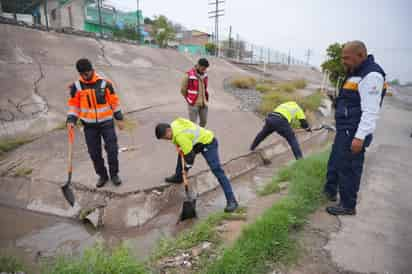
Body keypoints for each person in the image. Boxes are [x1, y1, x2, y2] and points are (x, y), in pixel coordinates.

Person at [324, 41, 387, 216]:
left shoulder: (372, 76)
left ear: (360, 55)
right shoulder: (355, 72)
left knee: (349, 168)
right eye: (342, 57)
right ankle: (330, 191)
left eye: (347, 58)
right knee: (337, 161)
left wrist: (359, 137)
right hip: (345, 129)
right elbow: (350, 100)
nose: (343, 61)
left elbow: (370, 111)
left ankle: (347, 205)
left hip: (354, 131)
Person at [155, 118, 238, 213]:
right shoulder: (174, 123)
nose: (166, 140)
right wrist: (179, 146)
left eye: (166, 137)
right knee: (182, 153)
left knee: (216, 170)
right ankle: (179, 177)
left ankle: (232, 201)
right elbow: (186, 130)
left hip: (208, 143)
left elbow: (190, 157)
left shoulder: (180, 137)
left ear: (168, 130)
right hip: (197, 143)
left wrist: (186, 170)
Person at [66, 58, 125, 188]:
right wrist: (71, 120)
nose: (85, 76)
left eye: (86, 73)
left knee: (112, 150)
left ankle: (114, 174)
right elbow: (74, 107)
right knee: (94, 153)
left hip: (107, 124)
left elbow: (114, 103)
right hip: (89, 126)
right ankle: (102, 176)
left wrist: (119, 118)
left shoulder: (105, 84)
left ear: (92, 70)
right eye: (82, 74)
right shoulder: (76, 87)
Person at [181, 58, 210, 127]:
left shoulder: (205, 75)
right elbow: (183, 90)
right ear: (198, 65)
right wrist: (189, 99)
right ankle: (194, 137)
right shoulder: (189, 75)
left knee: (204, 122)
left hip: (203, 103)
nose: (204, 70)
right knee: (192, 124)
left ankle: (200, 135)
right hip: (193, 104)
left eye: (205, 69)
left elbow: (205, 88)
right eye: (203, 68)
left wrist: (205, 99)